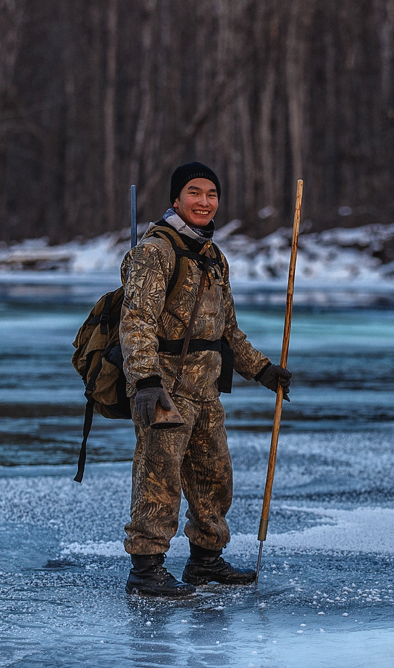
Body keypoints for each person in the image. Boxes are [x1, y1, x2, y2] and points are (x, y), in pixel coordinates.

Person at [119, 162, 293, 597]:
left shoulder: (214, 257)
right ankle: (146, 570)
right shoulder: (155, 251)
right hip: (163, 386)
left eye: (211, 194)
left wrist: (263, 370)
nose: (204, 201)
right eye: (194, 192)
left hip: (206, 388)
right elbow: (136, 320)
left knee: (214, 477)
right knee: (158, 478)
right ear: (176, 200)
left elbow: (227, 331)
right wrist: (145, 381)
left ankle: (205, 561)